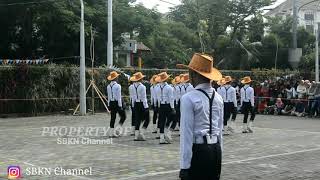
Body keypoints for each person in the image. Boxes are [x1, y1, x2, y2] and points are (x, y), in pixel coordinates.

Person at [179, 53, 223, 180]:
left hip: (198, 152)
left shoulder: (188, 98)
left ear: (194, 74)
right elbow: (220, 131)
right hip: (215, 150)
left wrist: (185, 166)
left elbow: (186, 134)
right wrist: (219, 155)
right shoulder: (219, 98)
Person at [155, 72, 176, 144]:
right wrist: (173, 108)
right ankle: (167, 132)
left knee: (161, 121)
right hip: (168, 106)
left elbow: (157, 98)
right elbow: (171, 98)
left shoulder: (157, 87)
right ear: (166, 79)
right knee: (173, 119)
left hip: (161, 105)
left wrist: (158, 106)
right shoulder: (169, 88)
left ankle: (161, 138)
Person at [129, 72, 149, 141]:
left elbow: (132, 97)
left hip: (135, 104)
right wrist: (146, 107)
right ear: (141, 79)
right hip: (141, 104)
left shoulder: (131, 87)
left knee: (137, 119)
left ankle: (136, 136)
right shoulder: (143, 87)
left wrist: (132, 105)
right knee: (147, 119)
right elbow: (144, 98)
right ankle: (142, 132)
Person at [106, 71, 126, 137]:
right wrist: (120, 106)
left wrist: (108, 106)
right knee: (123, 116)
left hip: (111, 103)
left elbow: (108, 97)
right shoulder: (118, 86)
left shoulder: (108, 86)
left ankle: (111, 133)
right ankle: (117, 130)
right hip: (117, 103)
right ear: (116, 78)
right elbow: (119, 97)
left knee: (113, 118)